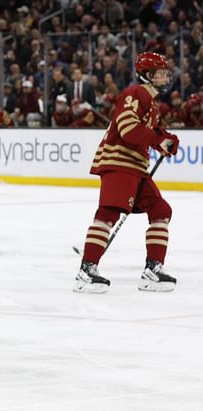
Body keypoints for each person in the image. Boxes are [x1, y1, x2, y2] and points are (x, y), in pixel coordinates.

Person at [74, 52, 179, 294]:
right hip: (120, 163)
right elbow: (128, 128)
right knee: (108, 213)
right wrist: (157, 141)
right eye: (160, 73)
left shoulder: (151, 102)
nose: (165, 77)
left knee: (161, 210)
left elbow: (152, 131)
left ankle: (153, 270)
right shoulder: (137, 93)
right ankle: (86, 270)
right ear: (147, 75)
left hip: (136, 168)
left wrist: (167, 139)